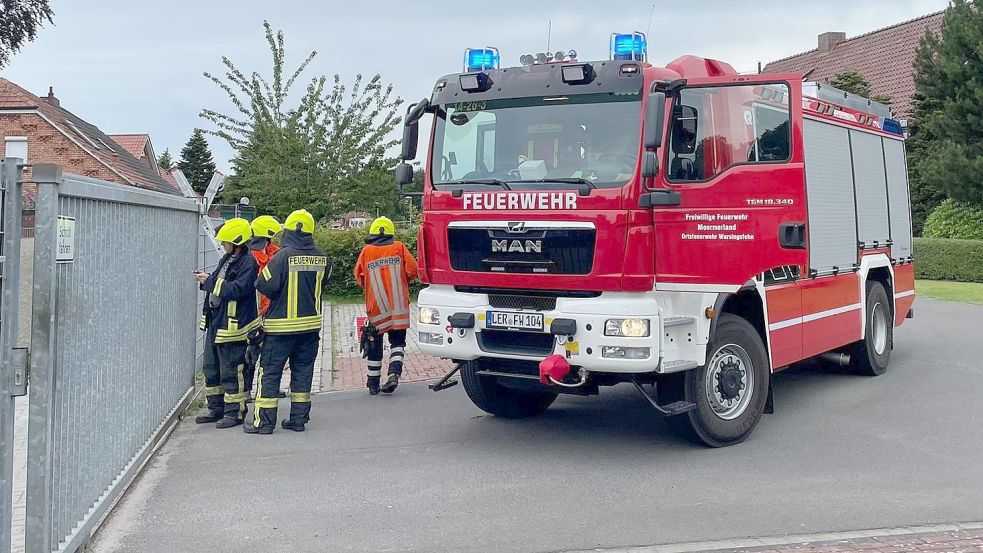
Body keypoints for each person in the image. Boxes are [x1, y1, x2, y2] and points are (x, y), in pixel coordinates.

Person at [248, 209, 328, 434]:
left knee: (270, 373)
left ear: (289, 231)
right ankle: (298, 420)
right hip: (310, 329)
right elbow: (323, 284)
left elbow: (263, 284)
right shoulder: (322, 256)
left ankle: (263, 423)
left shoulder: (282, 256)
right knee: (303, 373)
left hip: (280, 330)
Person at [194, 218, 260, 429]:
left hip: (234, 327)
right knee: (211, 368)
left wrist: (210, 281)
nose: (223, 245)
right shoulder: (227, 259)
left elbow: (238, 289)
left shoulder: (248, 263)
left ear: (237, 241)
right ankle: (216, 408)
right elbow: (220, 283)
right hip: (218, 322)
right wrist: (208, 280)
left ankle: (235, 412)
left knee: (232, 370)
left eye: (226, 242)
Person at [354, 216, 418, 395]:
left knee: (373, 344)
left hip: (376, 308)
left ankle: (373, 384)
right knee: (398, 342)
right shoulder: (399, 248)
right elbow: (412, 270)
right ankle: (394, 374)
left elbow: (359, 276)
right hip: (398, 307)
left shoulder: (367, 251)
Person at [244, 215, 283, 398]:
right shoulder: (252, 257)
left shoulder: (275, 253)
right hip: (256, 312)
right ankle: (247, 390)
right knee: (252, 353)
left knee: (270, 354)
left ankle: (266, 388)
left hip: (270, 311)